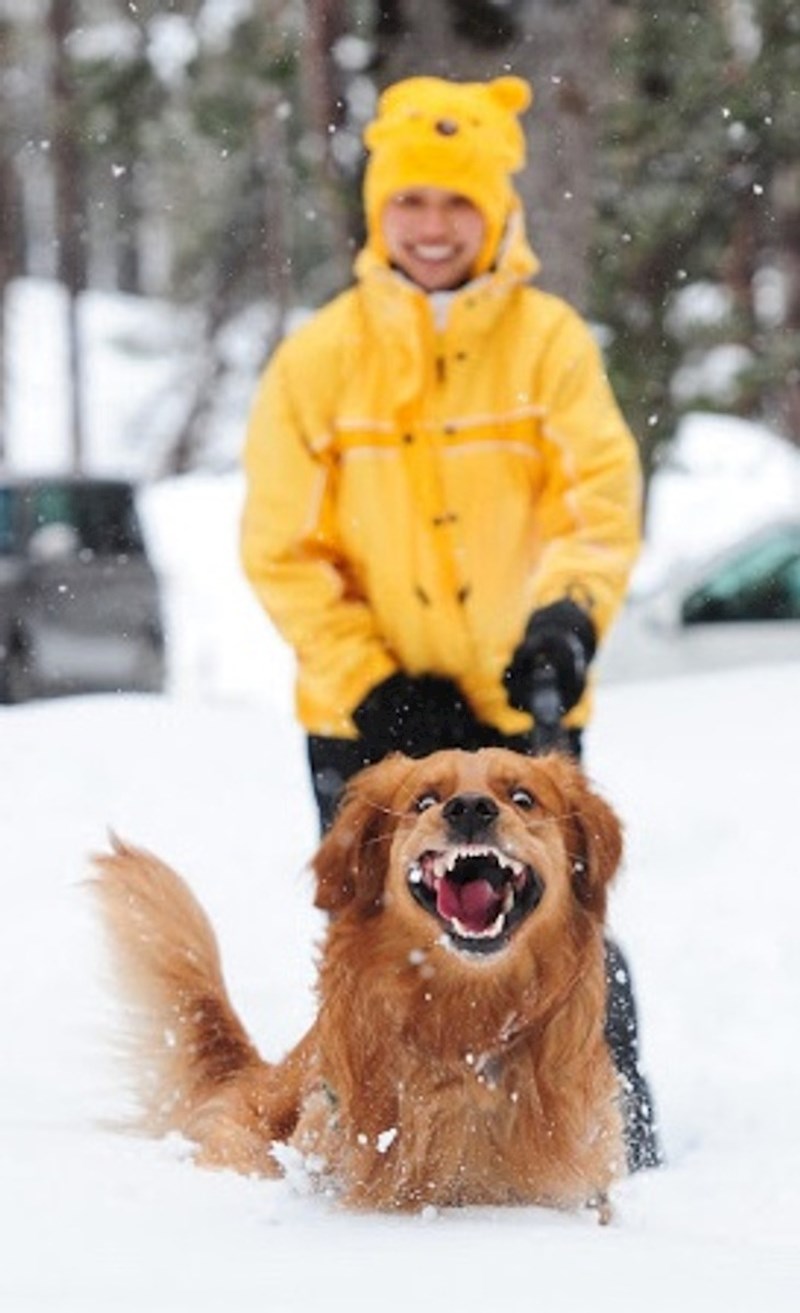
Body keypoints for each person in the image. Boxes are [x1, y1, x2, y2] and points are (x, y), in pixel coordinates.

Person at [241, 75, 660, 1171]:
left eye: (455, 205)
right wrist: (372, 680)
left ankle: (599, 1127)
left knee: (558, 928)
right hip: (362, 713)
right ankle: (369, 1136)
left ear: (495, 213)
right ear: (379, 216)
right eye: (410, 205)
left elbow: (598, 504)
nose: (432, 229)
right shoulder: (319, 359)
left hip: (514, 704)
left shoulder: (548, 343)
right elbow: (279, 547)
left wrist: (566, 614)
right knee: (375, 932)